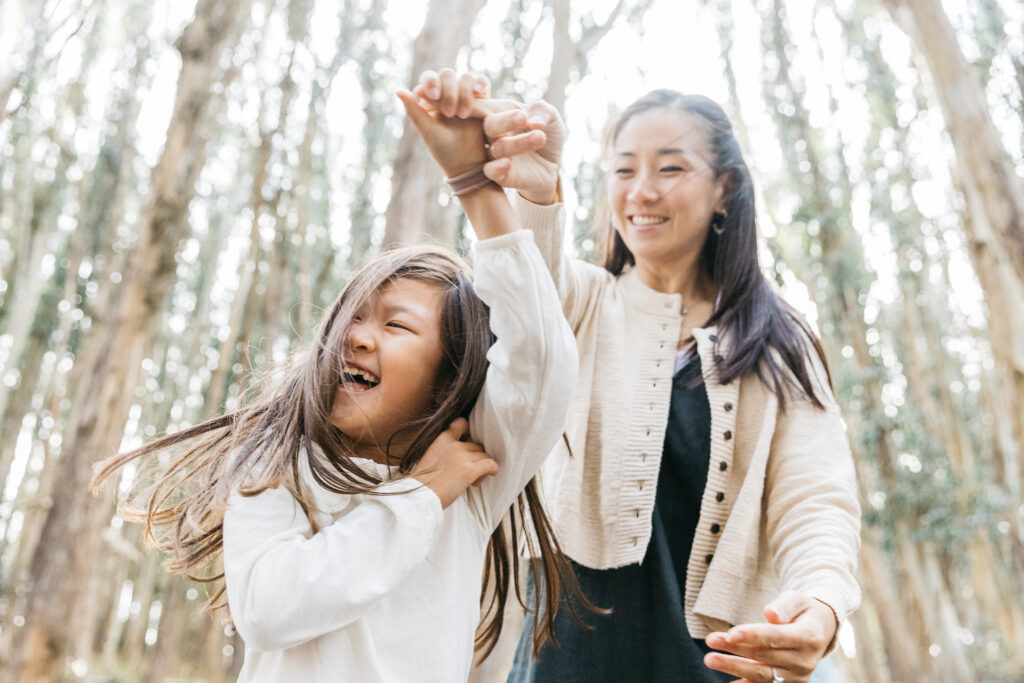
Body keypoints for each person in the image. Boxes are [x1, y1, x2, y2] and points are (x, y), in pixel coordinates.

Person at [90, 89, 589, 682]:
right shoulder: (277, 466)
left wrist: (476, 188)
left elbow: (541, 360)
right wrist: (420, 495)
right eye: (351, 317)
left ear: (450, 375)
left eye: (396, 324)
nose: (355, 337)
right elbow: (270, 610)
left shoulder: (473, 476)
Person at [412, 72, 861, 683]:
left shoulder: (778, 341)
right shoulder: (584, 304)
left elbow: (816, 497)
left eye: (670, 170)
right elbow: (523, 292)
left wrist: (823, 599)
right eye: (624, 171)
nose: (642, 192)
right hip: (568, 658)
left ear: (725, 188)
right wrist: (526, 190)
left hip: (726, 663)